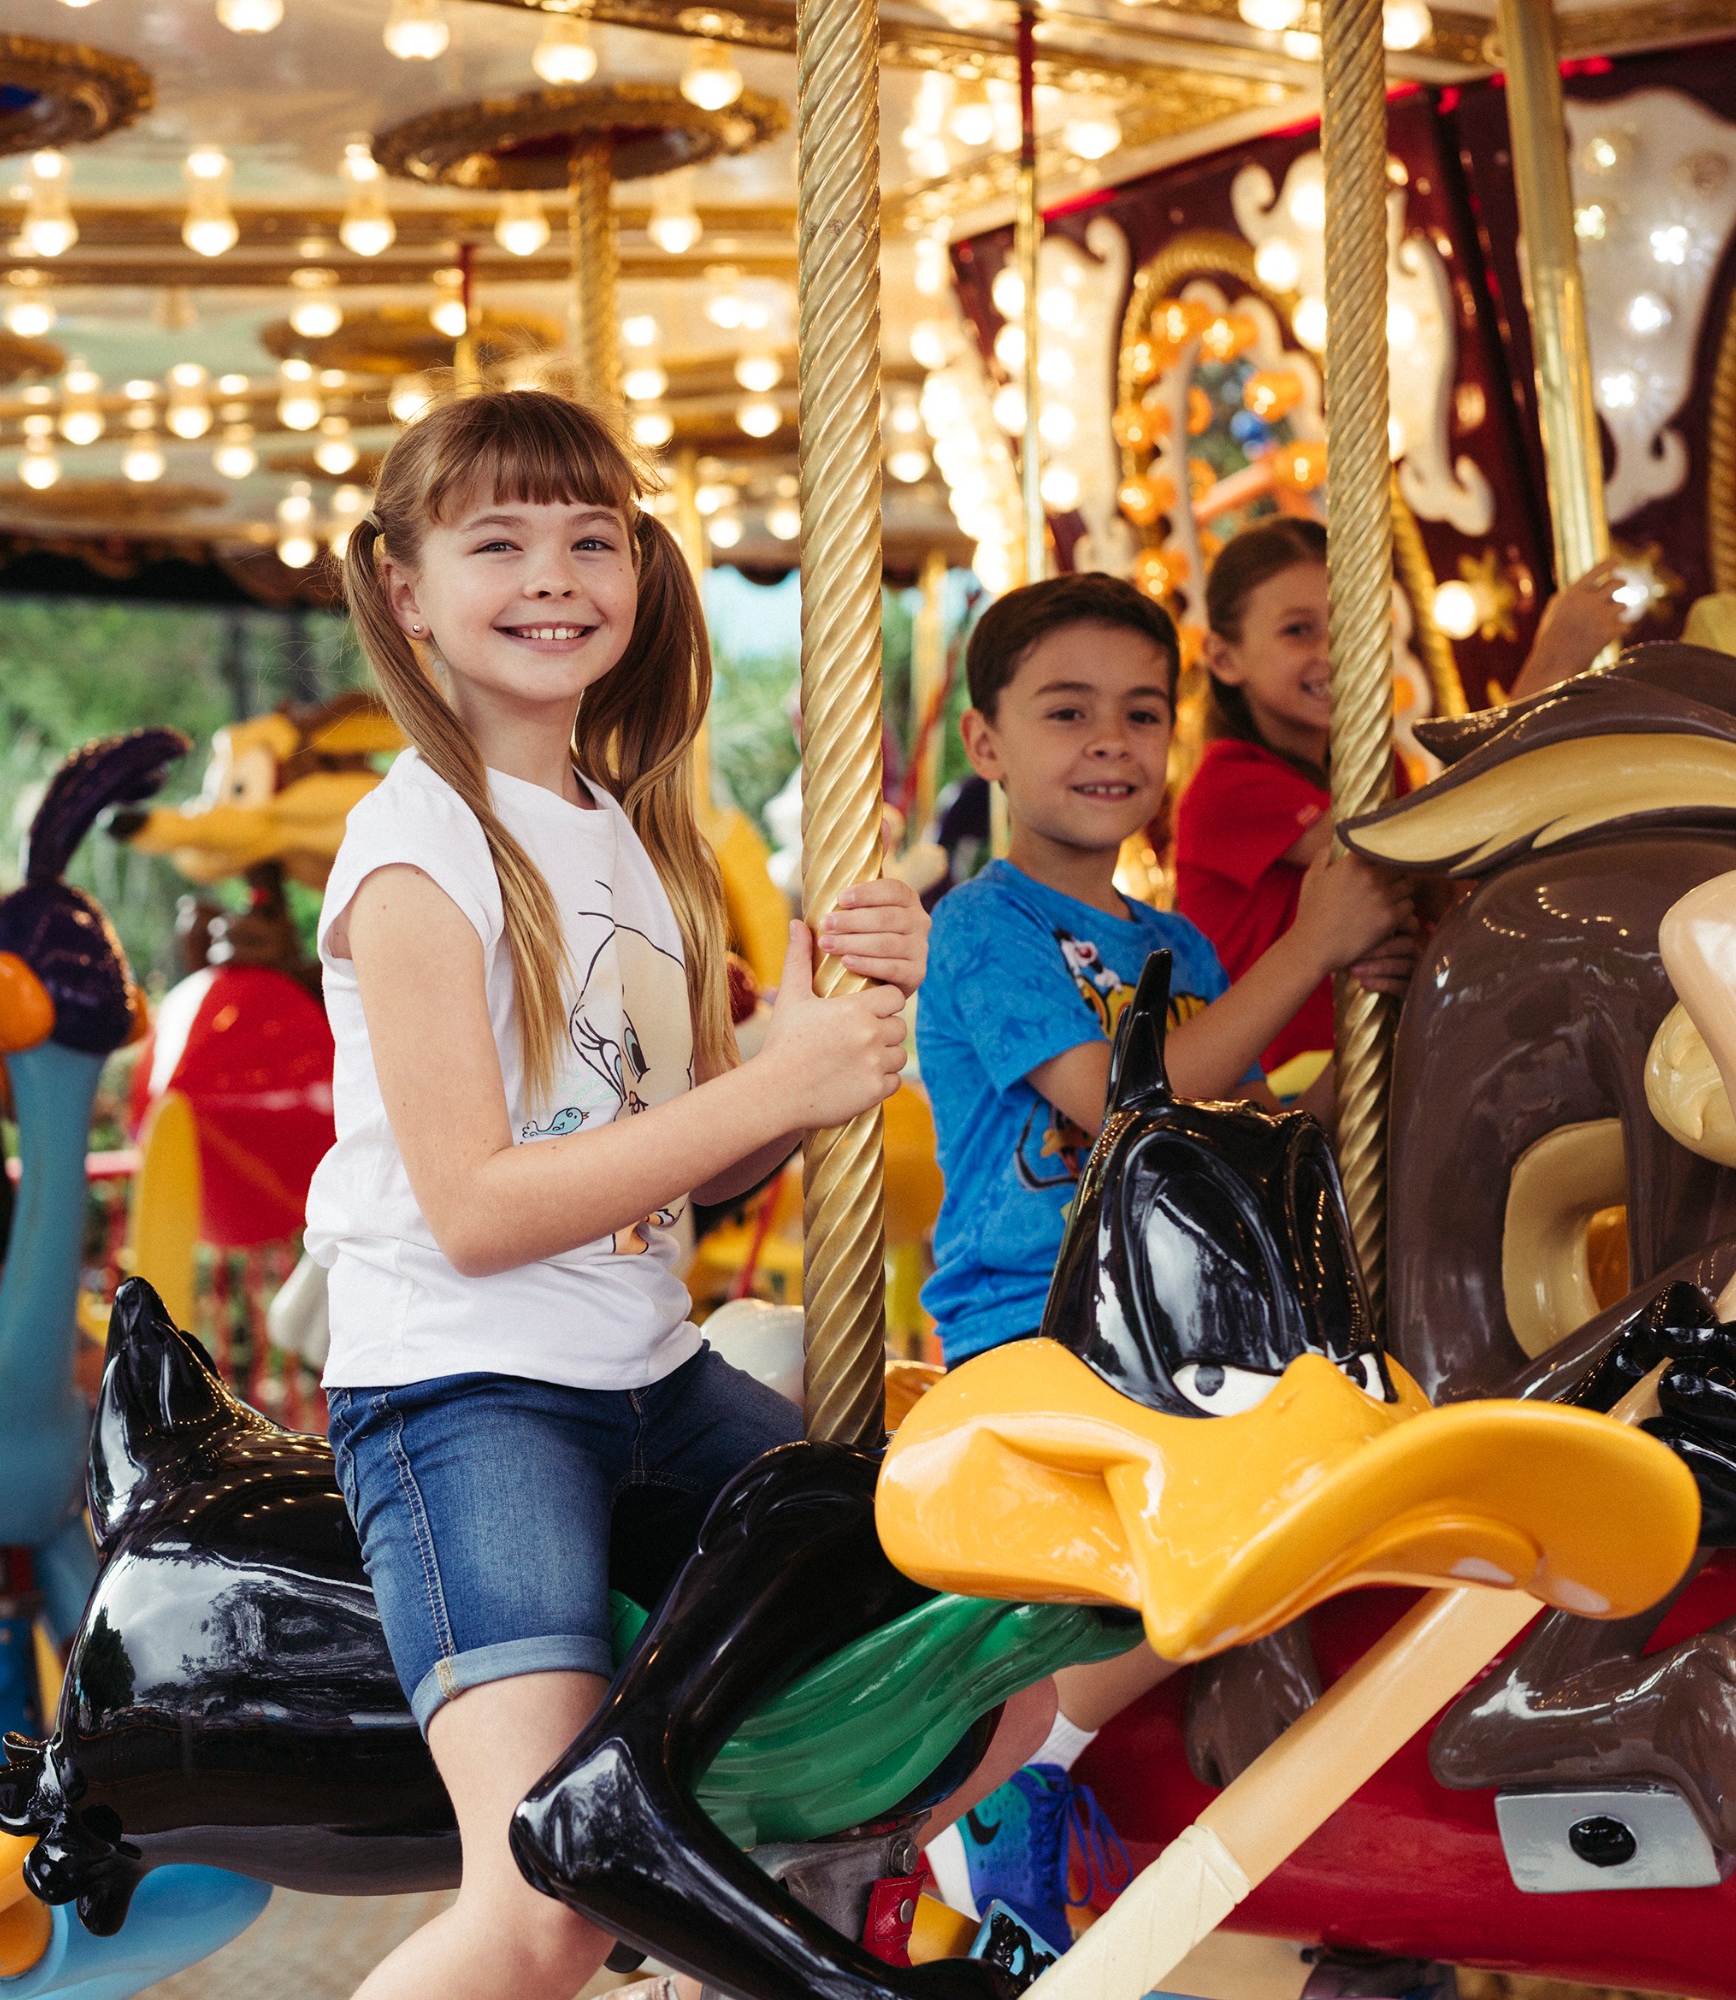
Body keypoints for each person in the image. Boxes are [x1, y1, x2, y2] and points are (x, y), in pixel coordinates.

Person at [305, 388, 927, 2000]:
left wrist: (804, 1064)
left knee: (954, 1654)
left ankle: (720, 1873)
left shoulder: (636, 835)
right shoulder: (415, 852)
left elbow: (694, 1164)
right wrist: (774, 1082)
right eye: (496, 541)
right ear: (402, 583)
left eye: (594, 539)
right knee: (541, 1905)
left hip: (650, 1375)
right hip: (467, 1393)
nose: (554, 576)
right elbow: (480, 1208)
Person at [910, 570, 1419, 1948]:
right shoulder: (986, 929)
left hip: (1181, 1318)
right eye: (1067, 712)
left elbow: (1228, 1125)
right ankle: (1010, 1781)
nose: (1112, 744)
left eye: (1142, 714)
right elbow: (1127, 1105)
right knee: (1234, 1526)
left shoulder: (1174, 943)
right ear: (987, 745)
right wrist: (1310, 939)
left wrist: (1369, 1060)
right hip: (1042, 1318)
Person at [1176, 520, 1628, 1086]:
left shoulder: (1374, 765)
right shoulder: (1230, 785)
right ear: (1223, 658)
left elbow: (1446, 886)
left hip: (1382, 1051)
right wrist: (1551, 666)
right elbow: (1414, 855)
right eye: (1298, 631)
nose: (1333, 650)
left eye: (1348, 623)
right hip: (1286, 1081)